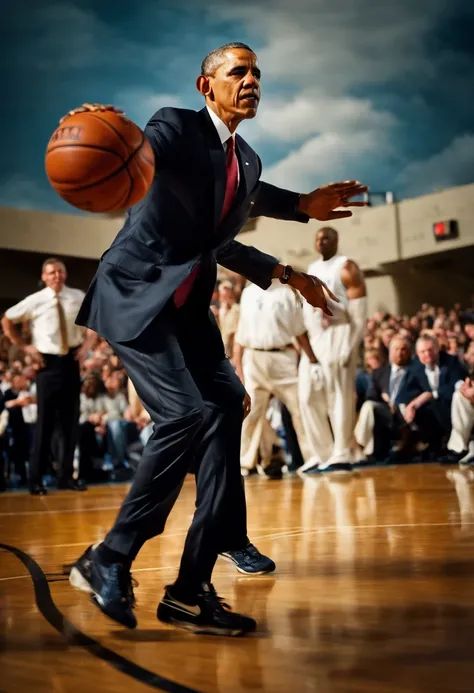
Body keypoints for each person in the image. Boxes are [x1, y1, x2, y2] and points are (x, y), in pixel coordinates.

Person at [67, 42, 367, 637]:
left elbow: (239, 218)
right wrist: (111, 133)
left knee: (227, 406)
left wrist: (300, 221)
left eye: (257, 71)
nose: (252, 78)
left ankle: (189, 590)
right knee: (183, 417)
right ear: (207, 86)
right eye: (239, 70)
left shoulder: (245, 161)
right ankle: (109, 556)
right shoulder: (175, 129)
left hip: (188, 310)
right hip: (138, 294)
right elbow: (144, 145)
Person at [1, 259, 95, 494]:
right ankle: (36, 479)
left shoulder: (76, 295)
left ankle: (66, 477)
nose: (56, 276)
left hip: (71, 361)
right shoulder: (36, 300)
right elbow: (7, 320)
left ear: (65, 274)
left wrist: (87, 347)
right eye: (51, 272)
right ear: (44, 276)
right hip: (47, 363)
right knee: (44, 423)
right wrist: (25, 347)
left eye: (60, 272)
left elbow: (93, 319)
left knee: (70, 423)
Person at [298, 227, 367, 474]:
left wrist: (350, 345)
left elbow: (359, 315)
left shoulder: (347, 267)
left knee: (339, 396)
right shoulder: (311, 267)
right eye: (318, 237)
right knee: (306, 396)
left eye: (326, 237)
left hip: (340, 333)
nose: (321, 241)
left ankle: (341, 452)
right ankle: (322, 453)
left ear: (336, 241)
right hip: (315, 336)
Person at [232, 279, 317, 479]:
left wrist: (312, 358)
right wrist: (239, 367)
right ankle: (245, 462)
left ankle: (313, 457)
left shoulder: (287, 294)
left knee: (300, 409)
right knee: (250, 413)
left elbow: (299, 330)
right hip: (253, 357)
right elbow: (240, 334)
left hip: (282, 357)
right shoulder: (248, 293)